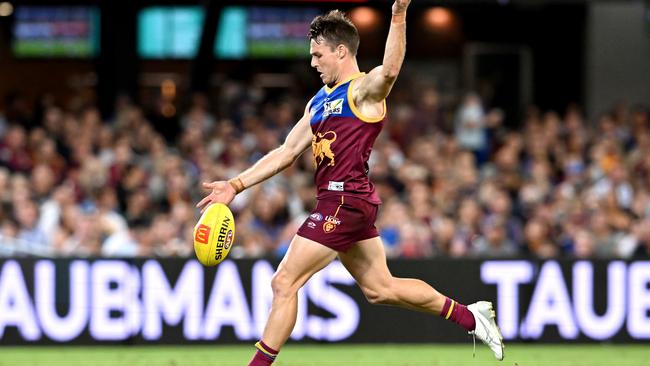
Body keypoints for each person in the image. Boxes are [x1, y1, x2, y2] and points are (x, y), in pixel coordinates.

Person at [197, 2, 504, 364]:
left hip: (342, 203)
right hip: (346, 203)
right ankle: (471, 316)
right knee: (381, 288)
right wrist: (235, 185)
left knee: (284, 282)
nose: (313, 63)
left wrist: (399, 16)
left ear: (341, 51)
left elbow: (389, 71)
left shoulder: (361, 91)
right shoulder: (318, 102)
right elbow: (285, 152)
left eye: (317, 54)